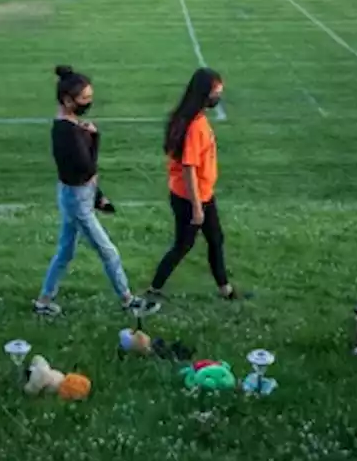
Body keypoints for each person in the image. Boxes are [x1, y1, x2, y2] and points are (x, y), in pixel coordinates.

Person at [34, 65, 161, 317]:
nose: (89, 103)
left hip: (73, 195)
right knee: (108, 251)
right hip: (77, 201)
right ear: (68, 100)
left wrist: (98, 195)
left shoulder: (67, 127)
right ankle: (128, 300)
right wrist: (95, 138)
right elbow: (88, 167)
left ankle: (43, 301)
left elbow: (83, 173)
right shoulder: (68, 133)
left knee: (65, 251)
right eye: (84, 99)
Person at [146, 67, 242, 300]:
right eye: (217, 92)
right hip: (192, 197)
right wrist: (197, 207)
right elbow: (189, 168)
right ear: (204, 93)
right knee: (183, 245)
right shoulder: (195, 126)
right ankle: (154, 288)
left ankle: (225, 289)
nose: (219, 96)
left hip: (201, 193)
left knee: (215, 239)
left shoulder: (188, 118)